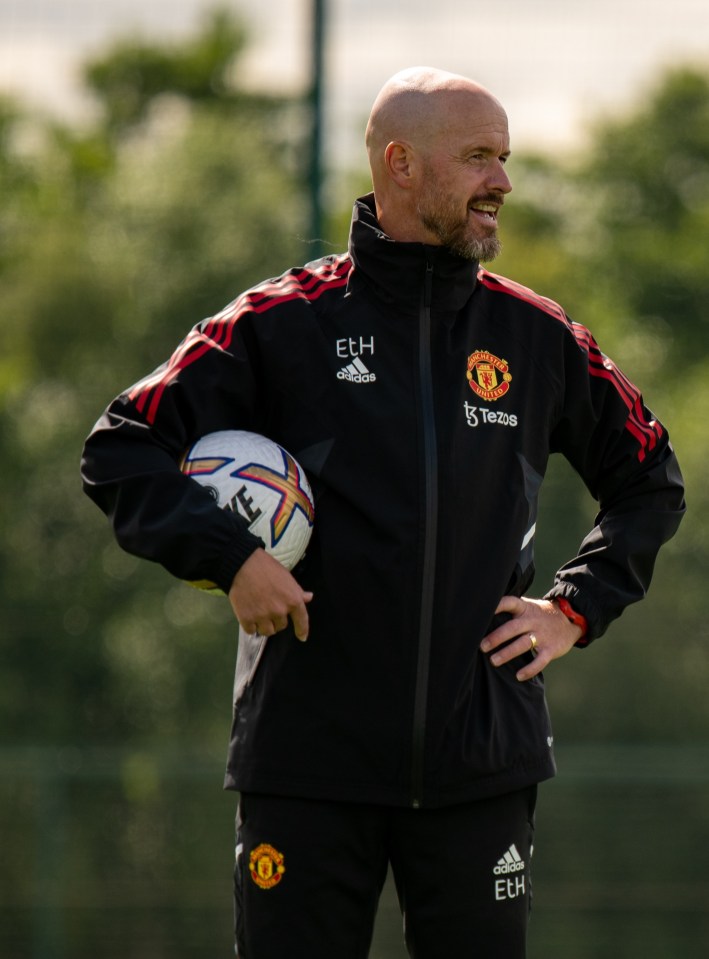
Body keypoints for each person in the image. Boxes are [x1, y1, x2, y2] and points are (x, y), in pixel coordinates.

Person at [81, 67, 685, 958]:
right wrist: (233, 559)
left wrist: (573, 607)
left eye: (505, 158)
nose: (503, 183)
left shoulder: (536, 336)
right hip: (304, 763)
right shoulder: (280, 323)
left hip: (480, 762)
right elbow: (120, 442)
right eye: (478, 157)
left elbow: (651, 477)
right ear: (400, 164)